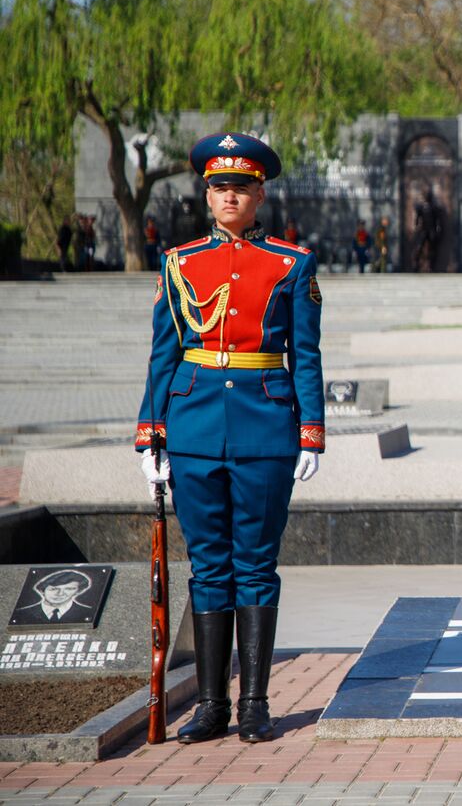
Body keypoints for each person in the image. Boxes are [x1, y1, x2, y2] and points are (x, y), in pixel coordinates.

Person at [136, 131, 324, 745]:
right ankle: (211, 706)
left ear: (259, 193)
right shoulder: (179, 262)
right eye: (219, 188)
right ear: (206, 194)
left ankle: (255, 704)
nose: (228, 198)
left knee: (256, 566)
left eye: (240, 188)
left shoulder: (292, 265)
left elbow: (308, 355)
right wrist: (151, 435)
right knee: (209, 567)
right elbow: (164, 354)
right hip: (191, 428)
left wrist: (311, 433)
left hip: (266, 429)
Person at [14, 569, 95, 624]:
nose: (60, 593)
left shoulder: (88, 613)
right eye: (53, 589)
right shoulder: (22, 614)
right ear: (42, 591)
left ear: (78, 591)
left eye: (69, 589)